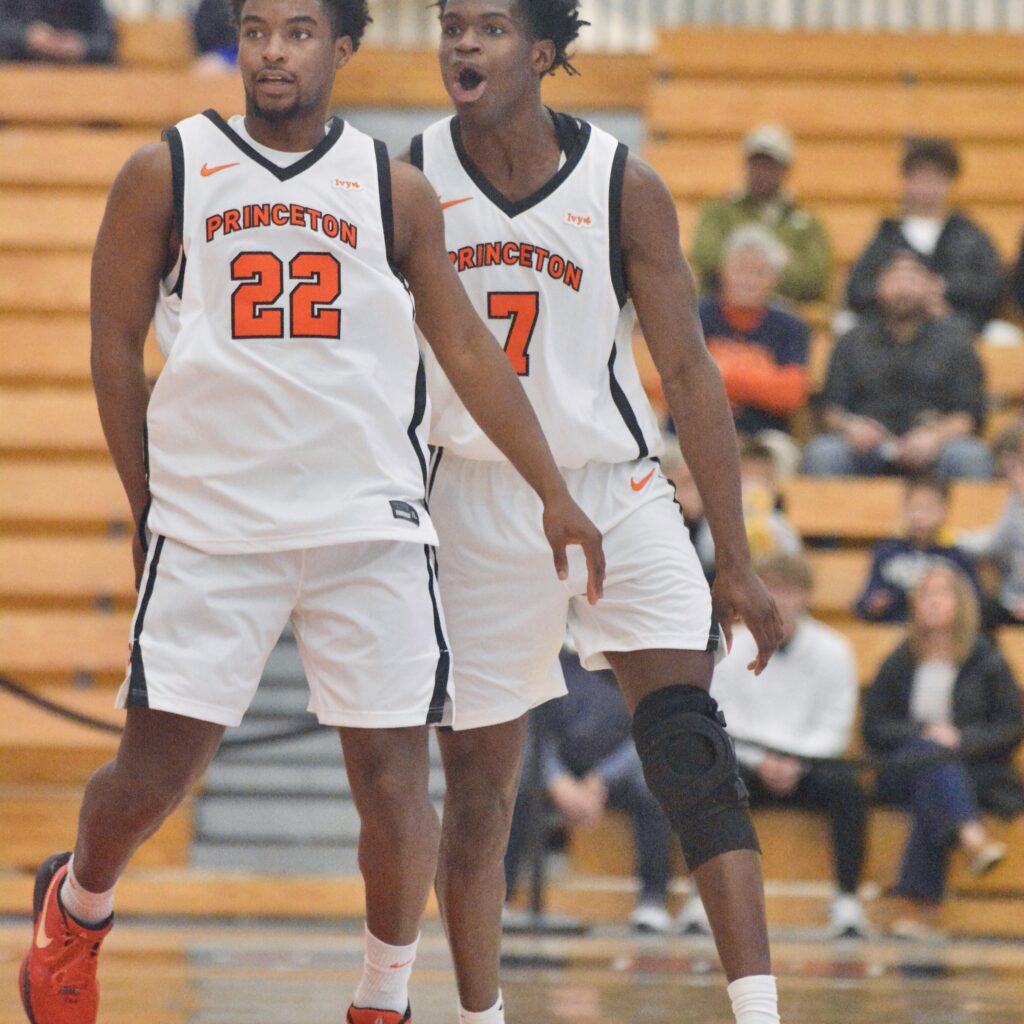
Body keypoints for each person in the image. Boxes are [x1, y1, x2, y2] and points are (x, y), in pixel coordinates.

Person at [17, 2, 606, 1023]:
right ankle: (77, 902)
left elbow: (468, 351)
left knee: (392, 778)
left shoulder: (393, 190)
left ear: (342, 48)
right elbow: (113, 349)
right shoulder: (169, 168)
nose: (271, 51)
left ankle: (382, 998)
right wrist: (144, 499)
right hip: (213, 520)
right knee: (155, 773)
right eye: (255, 31)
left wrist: (554, 490)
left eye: (296, 32)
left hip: (368, 519)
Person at [408, 4, 784, 1024]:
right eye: (450, 25)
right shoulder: (406, 176)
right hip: (476, 494)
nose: (460, 45)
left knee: (689, 748)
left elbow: (691, 376)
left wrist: (736, 560)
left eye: (486, 27)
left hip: (615, 486)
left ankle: (760, 1014)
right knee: (481, 792)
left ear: (540, 53)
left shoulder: (624, 184)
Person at [681, 554, 870, 938]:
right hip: (747, 764)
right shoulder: (732, 647)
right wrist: (760, 759)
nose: (780, 600)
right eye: (772, 591)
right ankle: (703, 898)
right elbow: (721, 715)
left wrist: (795, 760)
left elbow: (835, 722)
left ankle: (848, 900)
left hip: (810, 764)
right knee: (706, 784)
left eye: (789, 591)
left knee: (850, 790)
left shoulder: (834, 650)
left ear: (806, 597)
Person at [863, 564, 1023, 939]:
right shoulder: (901, 659)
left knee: (931, 781)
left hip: (973, 772)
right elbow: (876, 724)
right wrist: (924, 733)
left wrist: (960, 740)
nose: (933, 602)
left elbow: (1011, 727)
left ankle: (922, 913)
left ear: (962, 602)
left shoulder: (987, 660)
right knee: (928, 757)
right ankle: (971, 836)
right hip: (905, 764)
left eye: (942, 593)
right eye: (925, 594)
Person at [504, 648, 675, 934]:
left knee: (654, 788)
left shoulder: (637, 657)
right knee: (515, 788)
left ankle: (652, 899)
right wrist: (558, 781)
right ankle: (503, 896)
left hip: (618, 770)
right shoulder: (545, 658)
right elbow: (528, 729)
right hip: (558, 770)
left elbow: (650, 729)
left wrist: (600, 781)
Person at [802, 252, 993, 480]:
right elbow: (831, 409)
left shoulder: (956, 342)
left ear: (931, 287)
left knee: (970, 456)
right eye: (894, 279)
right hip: (866, 446)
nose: (903, 289)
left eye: (912, 279)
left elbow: (968, 413)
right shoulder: (851, 341)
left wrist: (935, 436)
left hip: (934, 444)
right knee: (824, 452)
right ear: (877, 286)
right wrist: (852, 427)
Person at [845, 137, 1003, 331]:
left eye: (936, 178)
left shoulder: (969, 235)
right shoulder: (887, 235)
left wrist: (943, 288)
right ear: (906, 181)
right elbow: (857, 289)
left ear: (950, 182)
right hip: (891, 331)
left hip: (961, 327)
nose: (927, 188)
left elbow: (993, 289)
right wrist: (896, 291)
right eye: (919, 178)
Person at [699, 224, 810, 465]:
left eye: (758, 273)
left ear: (773, 279)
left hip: (763, 436)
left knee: (784, 454)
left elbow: (790, 394)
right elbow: (666, 385)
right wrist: (760, 376)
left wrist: (720, 374)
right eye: (740, 270)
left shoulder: (790, 325)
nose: (747, 281)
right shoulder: (694, 316)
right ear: (723, 272)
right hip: (694, 429)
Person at [691, 123, 831, 303]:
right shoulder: (718, 212)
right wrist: (781, 261)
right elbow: (706, 258)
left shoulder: (808, 222)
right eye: (757, 163)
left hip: (784, 311)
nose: (762, 171)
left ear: (786, 169)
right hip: (721, 308)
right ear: (745, 165)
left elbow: (815, 279)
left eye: (771, 164)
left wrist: (740, 268)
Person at [855, 476, 981, 623]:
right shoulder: (886, 552)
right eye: (913, 508)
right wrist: (873, 605)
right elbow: (864, 603)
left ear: (944, 511)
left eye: (927, 509)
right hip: (895, 629)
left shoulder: (956, 556)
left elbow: (973, 603)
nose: (919, 517)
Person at [694, 437, 802, 574]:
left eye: (761, 479)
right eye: (747, 478)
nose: (753, 486)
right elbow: (706, 553)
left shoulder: (778, 521)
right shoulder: (717, 519)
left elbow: (793, 555)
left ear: (773, 486)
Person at [959, 422, 1024, 625]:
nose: (1014, 476)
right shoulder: (1015, 502)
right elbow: (996, 543)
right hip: (1014, 598)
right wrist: (954, 538)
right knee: (976, 611)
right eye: (1013, 468)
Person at [0, 0, 115, 63]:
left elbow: (106, 40)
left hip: (75, 79)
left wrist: (80, 45)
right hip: (19, 71)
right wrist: (26, 36)